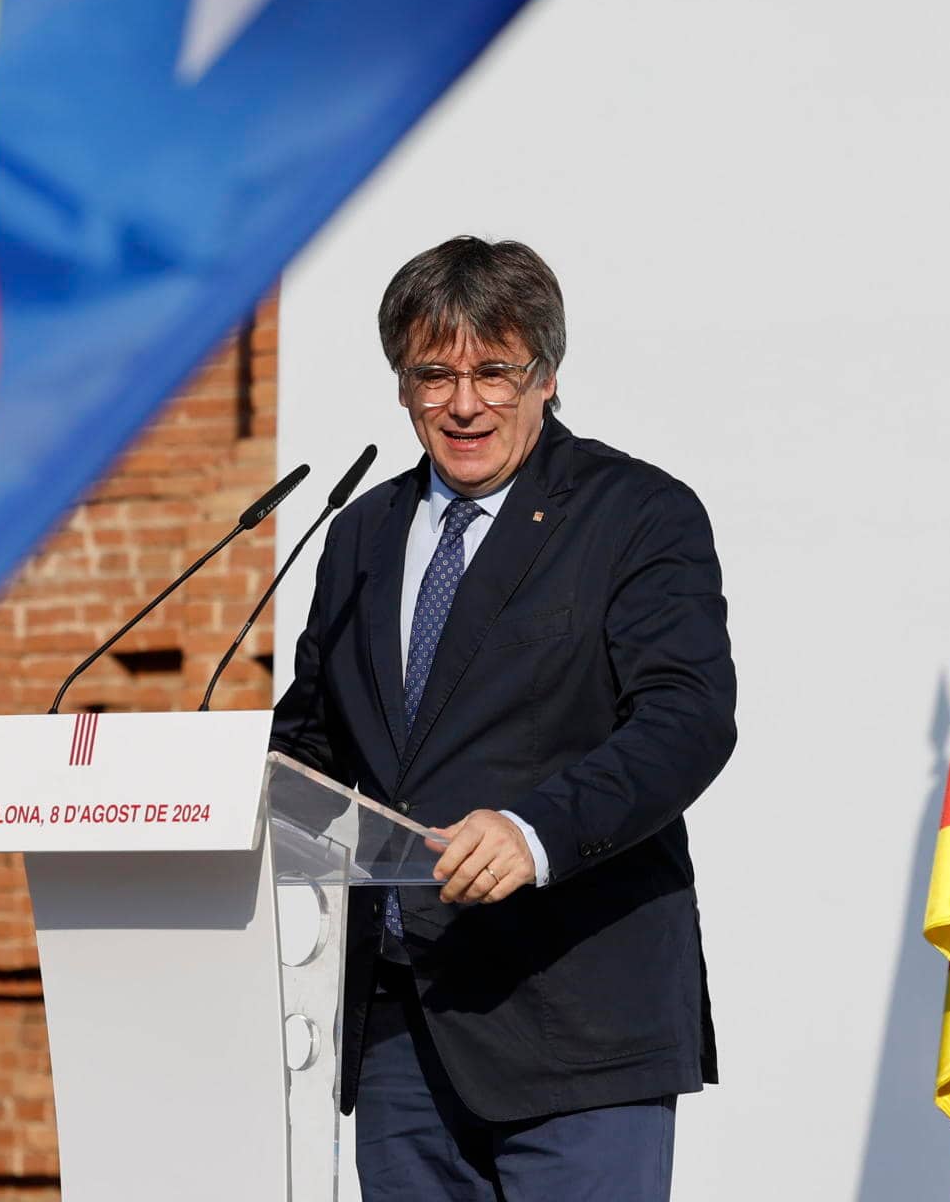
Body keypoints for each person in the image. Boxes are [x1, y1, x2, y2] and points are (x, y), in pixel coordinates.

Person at [271, 237, 736, 1202]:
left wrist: (535, 832)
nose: (465, 402)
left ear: (548, 377)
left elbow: (687, 718)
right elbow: (312, 741)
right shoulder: (359, 534)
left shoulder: (636, 515)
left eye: (495, 371)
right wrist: (185, 790)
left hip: (580, 1031)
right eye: (433, 374)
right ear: (402, 387)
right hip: (404, 1028)